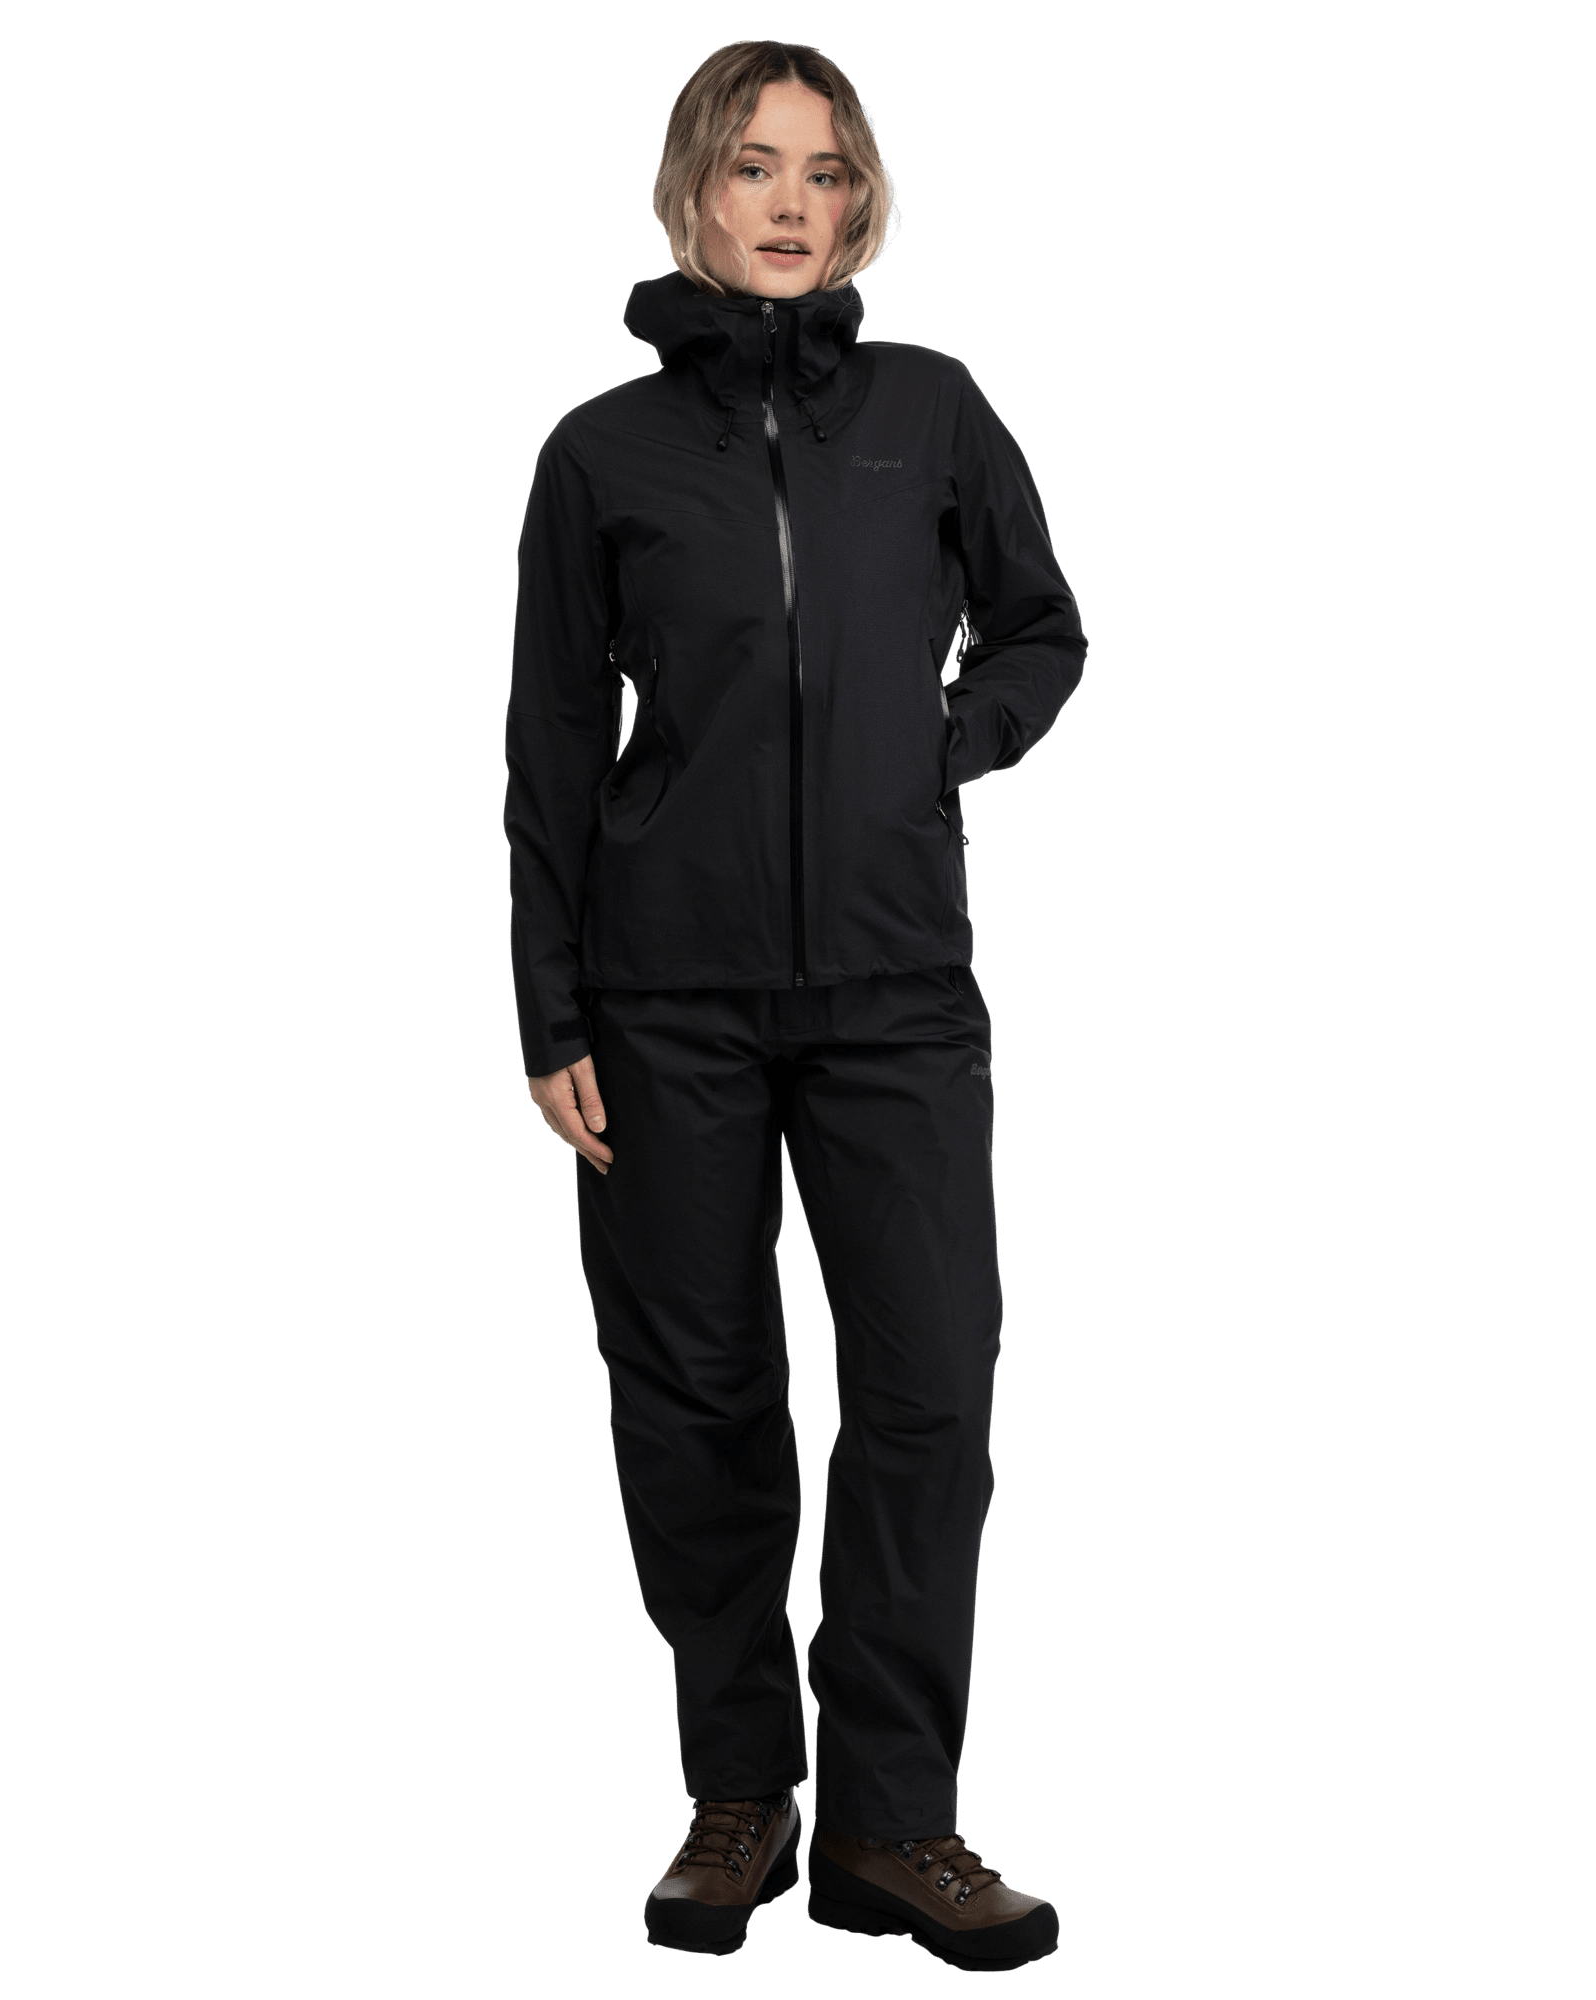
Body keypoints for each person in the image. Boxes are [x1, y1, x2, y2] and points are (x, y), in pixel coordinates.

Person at [504, 39, 1086, 1972]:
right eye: (753, 165)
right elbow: (548, 740)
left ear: (862, 202)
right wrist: (548, 1008)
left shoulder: (934, 410)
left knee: (931, 1391)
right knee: (699, 1399)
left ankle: (893, 1826)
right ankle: (742, 1799)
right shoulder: (599, 453)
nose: (789, 202)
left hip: (898, 990)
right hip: (661, 998)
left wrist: (948, 743)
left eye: (824, 171)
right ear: (694, 187)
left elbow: (1043, 626)